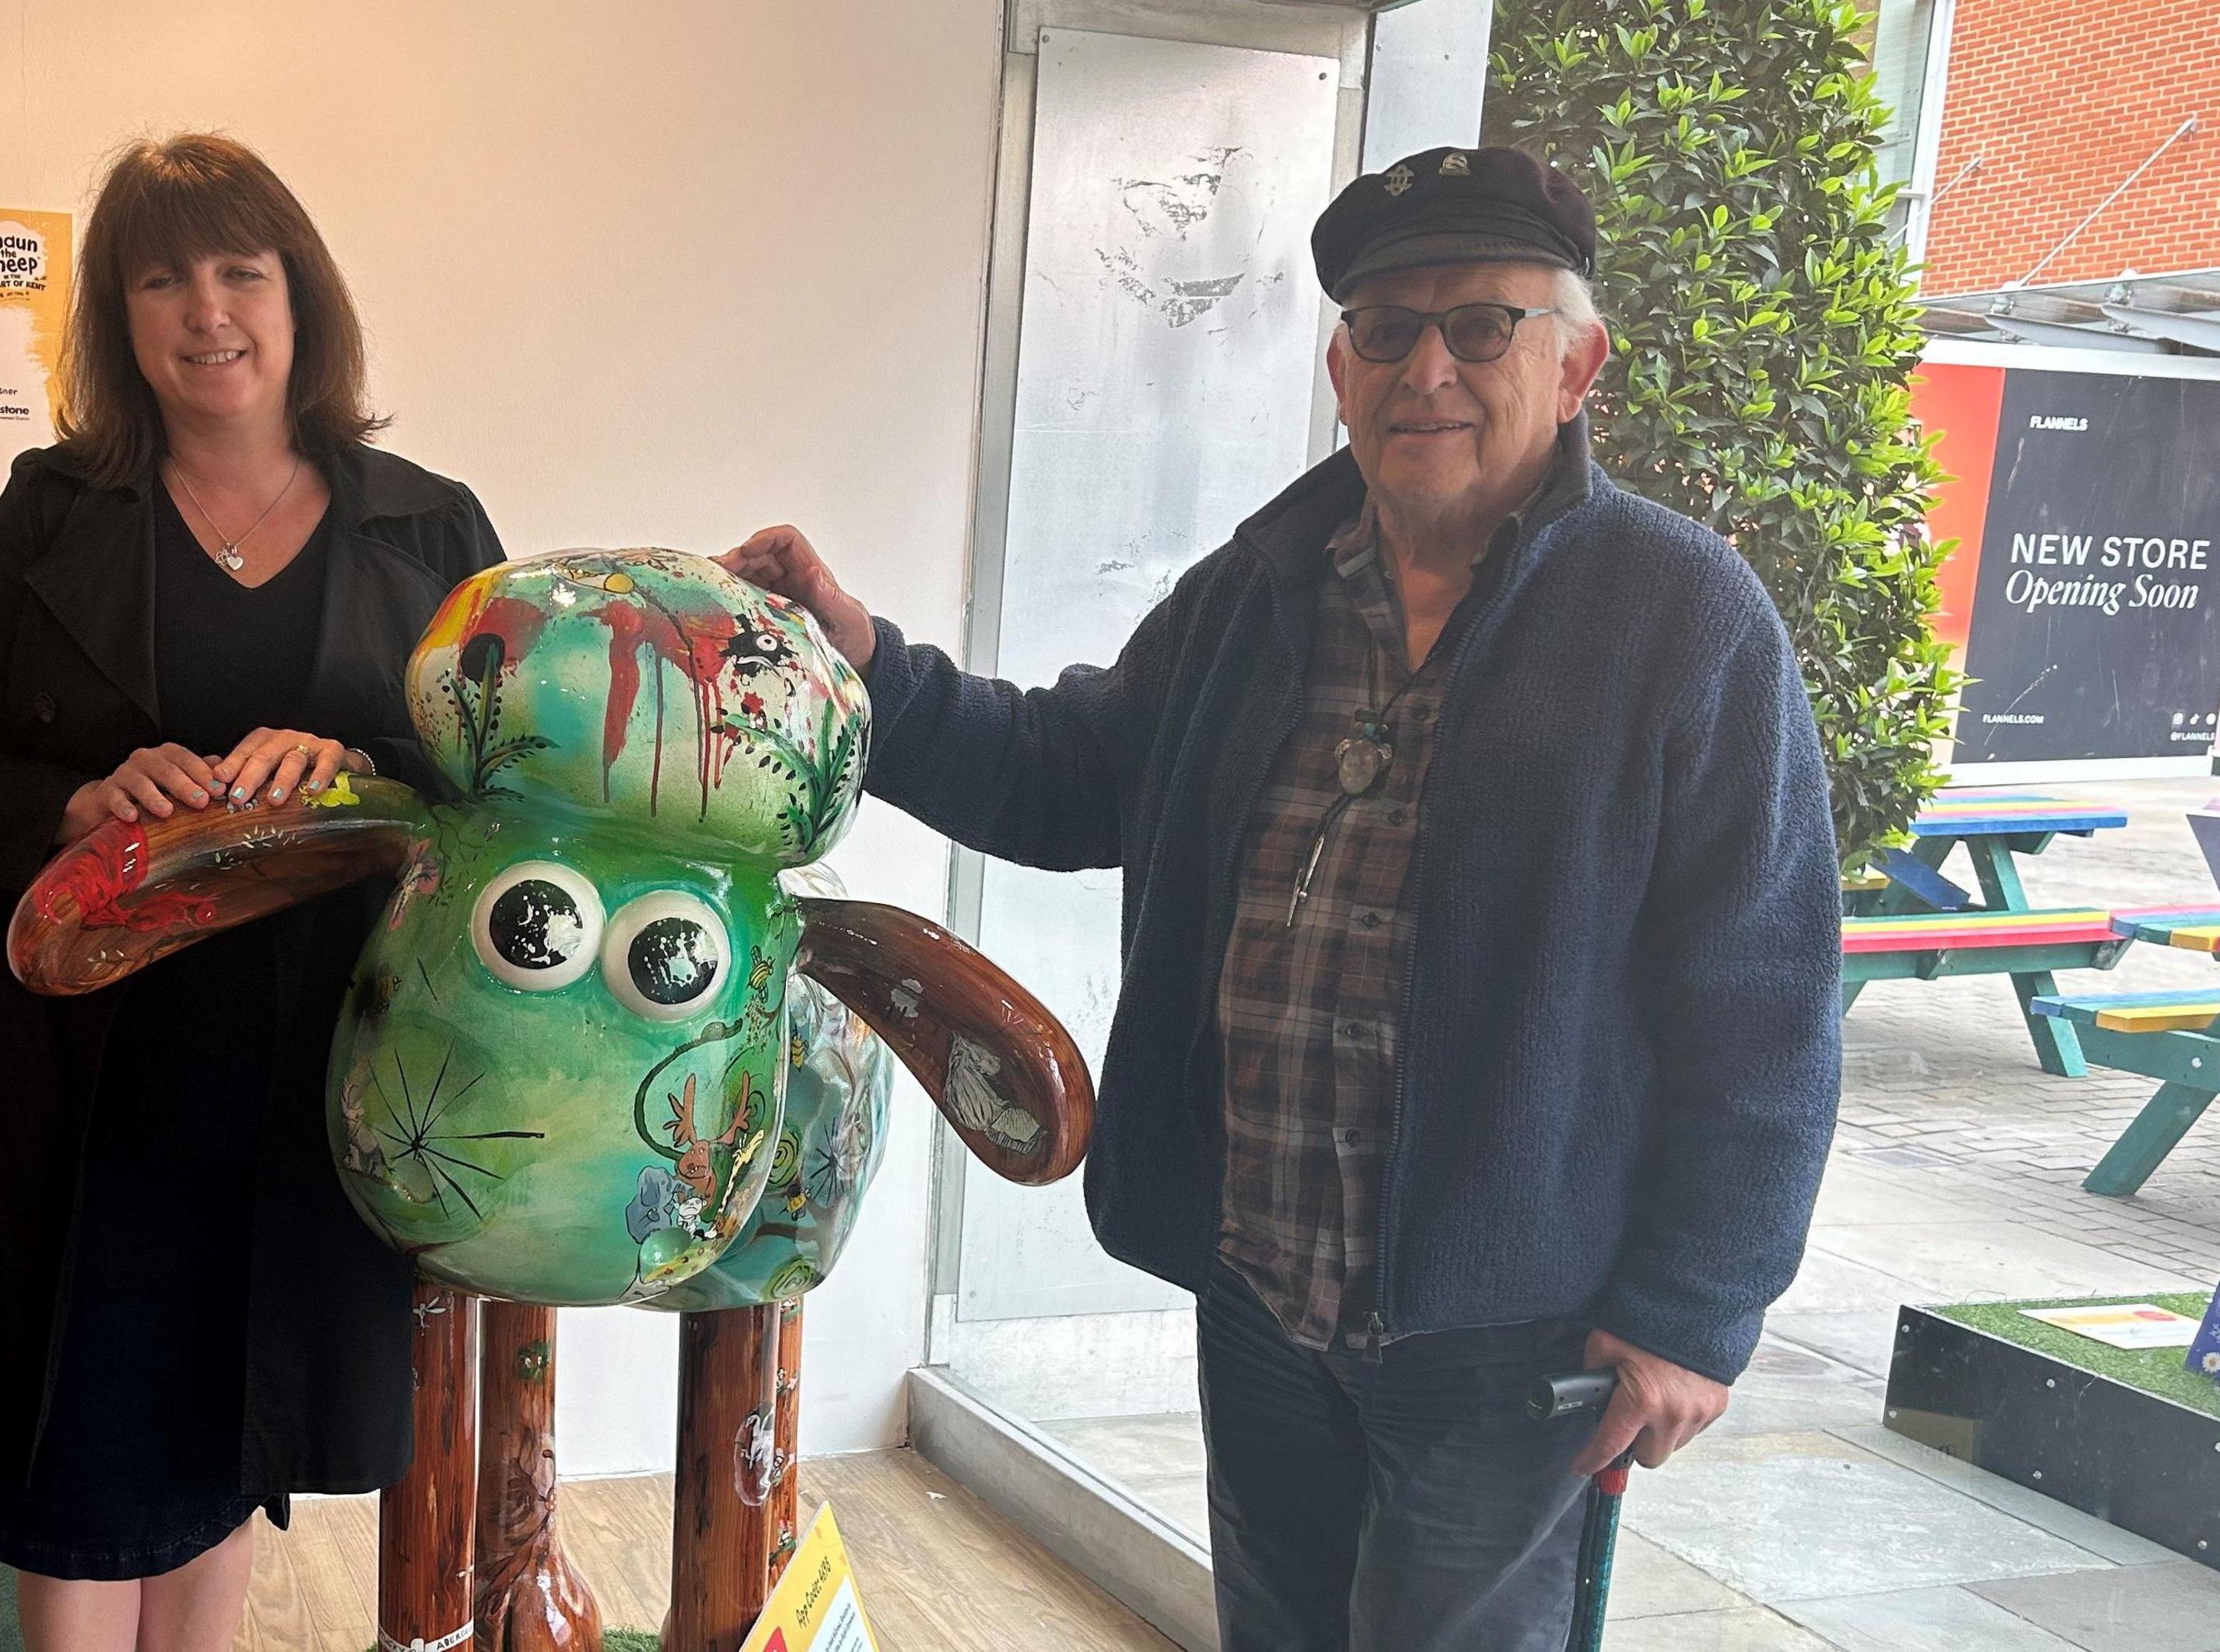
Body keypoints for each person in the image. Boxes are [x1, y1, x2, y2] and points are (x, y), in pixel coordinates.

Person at [722, 146, 1838, 1650]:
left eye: (1482, 326)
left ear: (1579, 366)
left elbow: (1763, 998)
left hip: (1510, 1335)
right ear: (1337, 365)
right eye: (1385, 328)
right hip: (1261, 1287)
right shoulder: (1266, 589)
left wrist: (1698, 1308)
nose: (1426, 366)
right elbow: (1070, 772)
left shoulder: (1684, 616)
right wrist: (867, 660)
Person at [0, 133, 504, 1652]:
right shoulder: (58, 504)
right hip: (80, 1073)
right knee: (80, 1453)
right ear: (119, 319)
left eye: (240, 270)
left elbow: (499, 787)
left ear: (299, 296)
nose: (208, 311)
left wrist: (355, 760)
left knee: (232, 1439)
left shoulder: (428, 525)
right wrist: (72, 797)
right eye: (161, 278)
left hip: (318, 1074)